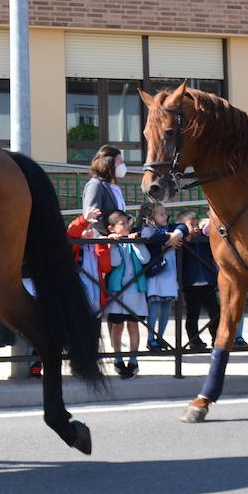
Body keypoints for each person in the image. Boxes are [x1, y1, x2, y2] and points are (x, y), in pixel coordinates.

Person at [104, 210, 149, 379]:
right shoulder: (113, 243)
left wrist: (137, 243)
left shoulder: (134, 241)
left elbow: (145, 259)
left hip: (135, 290)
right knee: (117, 326)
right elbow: (114, 262)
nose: (127, 226)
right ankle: (118, 358)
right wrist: (113, 245)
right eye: (122, 224)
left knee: (133, 325)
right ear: (112, 228)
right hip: (117, 290)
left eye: (128, 223)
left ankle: (133, 359)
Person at [138, 202, 184, 353]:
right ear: (150, 218)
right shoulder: (148, 229)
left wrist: (176, 234)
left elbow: (184, 227)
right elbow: (150, 236)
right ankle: (151, 339)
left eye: (166, 214)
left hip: (171, 273)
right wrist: (168, 237)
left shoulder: (170, 228)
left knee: (166, 309)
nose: (166, 216)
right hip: (156, 274)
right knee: (155, 308)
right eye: (161, 214)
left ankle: (161, 338)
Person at [178, 211, 219, 350]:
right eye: (191, 225)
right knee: (192, 313)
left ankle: (216, 338)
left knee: (215, 312)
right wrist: (186, 239)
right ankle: (194, 341)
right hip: (191, 283)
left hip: (207, 281)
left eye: (197, 224)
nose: (195, 228)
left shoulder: (204, 238)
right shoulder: (183, 241)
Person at [81, 146, 126, 234]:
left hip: (116, 239)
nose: (123, 165)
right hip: (103, 240)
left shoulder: (114, 186)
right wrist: (109, 234)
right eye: (120, 161)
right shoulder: (96, 185)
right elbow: (93, 218)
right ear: (109, 162)